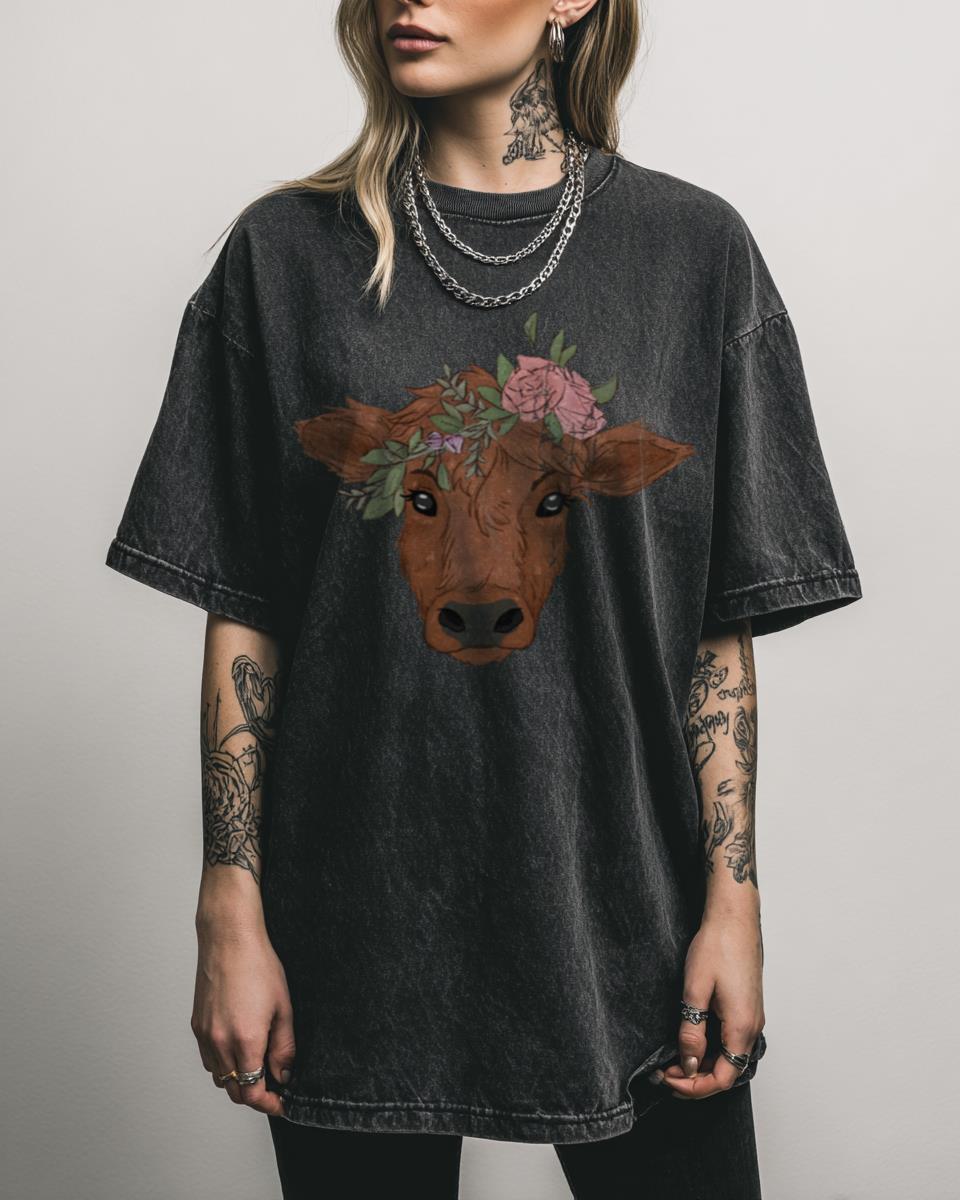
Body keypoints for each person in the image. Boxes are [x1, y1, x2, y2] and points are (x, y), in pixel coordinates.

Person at [104, 1, 863, 1196]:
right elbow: (245, 609)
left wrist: (734, 902)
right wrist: (229, 906)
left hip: (630, 917)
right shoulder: (284, 256)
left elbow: (714, 631)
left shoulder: (694, 254)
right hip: (352, 926)